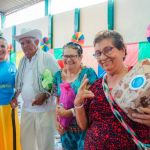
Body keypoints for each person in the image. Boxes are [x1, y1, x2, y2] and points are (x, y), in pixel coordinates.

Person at [74, 30, 150, 149]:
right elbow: (84, 126)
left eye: (108, 49)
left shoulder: (142, 77)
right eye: (98, 53)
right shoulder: (95, 87)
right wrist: (77, 103)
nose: (103, 57)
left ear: (123, 50)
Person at [12, 29, 59, 150]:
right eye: (22, 44)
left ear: (37, 42)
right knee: (26, 143)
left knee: (45, 145)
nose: (24, 46)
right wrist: (15, 97)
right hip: (27, 109)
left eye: (28, 42)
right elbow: (20, 82)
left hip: (45, 111)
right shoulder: (22, 61)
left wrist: (45, 95)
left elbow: (59, 80)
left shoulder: (47, 58)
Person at [53, 41, 98, 150]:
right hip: (66, 130)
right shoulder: (57, 76)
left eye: (72, 56)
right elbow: (57, 101)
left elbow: (93, 102)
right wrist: (57, 122)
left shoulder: (88, 74)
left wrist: (70, 112)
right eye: (65, 56)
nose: (68, 59)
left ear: (80, 57)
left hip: (84, 129)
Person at [0, 37, 21, 150]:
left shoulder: (12, 66)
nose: (0, 49)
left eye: (2, 46)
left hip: (9, 109)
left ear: (7, 49)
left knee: (10, 139)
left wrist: (16, 97)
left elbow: (19, 86)